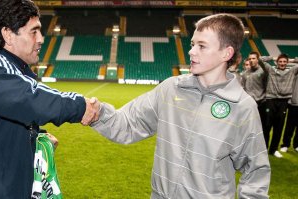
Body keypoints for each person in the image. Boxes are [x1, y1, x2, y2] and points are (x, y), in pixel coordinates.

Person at [90, 13, 270, 198]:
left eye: (202, 46)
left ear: (226, 53)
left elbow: (255, 170)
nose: (191, 51)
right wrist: (99, 114)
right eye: (193, 45)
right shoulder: (171, 89)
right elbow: (128, 124)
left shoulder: (242, 106)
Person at [0, 0, 97, 198]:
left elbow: (9, 120)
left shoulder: (20, 72)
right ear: (8, 34)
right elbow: (27, 99)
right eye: (33, 31)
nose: (41, 39)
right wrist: (79, 106)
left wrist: (38, 138)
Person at [260, 54, 298, 158]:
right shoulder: (271, 70)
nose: (282, 63)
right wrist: (273, 58)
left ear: (287, 63)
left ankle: (273, 150)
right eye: (280, 61)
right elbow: (260, 60)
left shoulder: (292, 71)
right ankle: (263, 149)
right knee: (267, 126)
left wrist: (291, 60)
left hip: (283, 102)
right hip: (271, 100)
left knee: (279, 127)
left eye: (284, 62)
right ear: (277, 62)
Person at [241, 52, 268, 130]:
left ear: (257, 59)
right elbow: (243, 88)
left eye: (253, 58)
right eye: (250, 59)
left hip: (261, 102)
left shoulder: (263, 71)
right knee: (248, 127)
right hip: (249, 104)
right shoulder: (245, 73)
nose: (251, 60)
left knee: (262, 127)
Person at [280, 65, 298, 153]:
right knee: (290, 126)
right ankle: (285, 144)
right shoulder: (295, 73)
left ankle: (296, 145)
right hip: (294, 104)